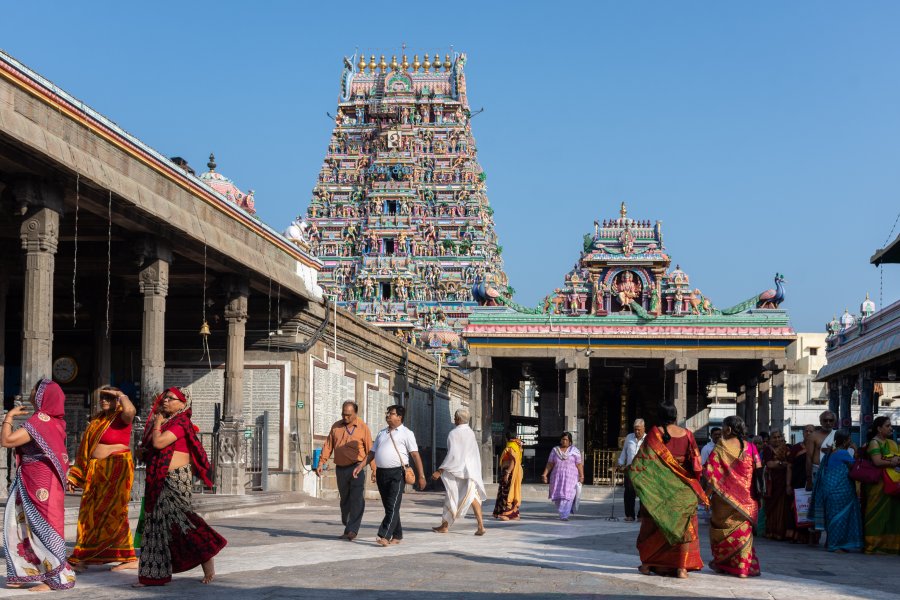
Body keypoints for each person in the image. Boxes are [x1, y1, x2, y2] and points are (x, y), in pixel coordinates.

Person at [136, 387, 226, 586]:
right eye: (165, 398)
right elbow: (148, 450)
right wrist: (141, 451)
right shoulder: (165, 422)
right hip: (158, 479)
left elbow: (159, 443)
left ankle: (207, 553)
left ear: (183, 404)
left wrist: (157, 423)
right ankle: (152, 575)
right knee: (157, 526)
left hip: (176, 480)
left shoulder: (181, 422)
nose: (166, 401)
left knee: (184, 522)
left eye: (171, 398)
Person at [2, 379, 77, 591]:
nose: (31, 391)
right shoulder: (56, 422)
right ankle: (28, 572)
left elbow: (7, 441)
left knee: (42, 528)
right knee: (27, 525)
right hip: (41, 479)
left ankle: (55, 577)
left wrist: (9, 416)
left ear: (42, 395)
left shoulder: (39, 421)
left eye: (35, 388)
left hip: (39, 480)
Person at [630, 404, 707, 579]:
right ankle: (681, 568)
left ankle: (648, 565)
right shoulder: (687, 434)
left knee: (653, 526)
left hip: (658, 491)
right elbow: (696, 464)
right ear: (676, 415)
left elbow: (641, 464)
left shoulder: (654, 434)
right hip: (683, 490)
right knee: (684, 528)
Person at [67, 386, 138, 571]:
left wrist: (121, 395)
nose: (104, 400)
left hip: (116, 468)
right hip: (96, 470)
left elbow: (131, 410)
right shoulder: (98, 420)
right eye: (102, 397)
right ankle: (84, 555)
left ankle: (128, 558)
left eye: (109, 397)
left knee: (115, 512)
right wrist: (75, 475)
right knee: (89, 513)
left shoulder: (122, 417)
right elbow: (85, 448)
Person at [352, 405, 426, 546]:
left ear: (400, 417)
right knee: (389, 506)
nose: (388, 416)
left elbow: (415, 455)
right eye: (388, 413)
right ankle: (397, 535)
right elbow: (372, 453)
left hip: (397, 473)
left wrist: (421, 476)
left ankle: (384, 535)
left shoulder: (406, 433)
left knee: (392, 505)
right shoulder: (382, 433)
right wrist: (360, 466)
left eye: (391, 414)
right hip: (381, 473)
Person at [704, 415, 762, 578]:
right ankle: (743, 568)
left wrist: (705, 495)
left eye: (723, 427)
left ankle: (723, 563)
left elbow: (711, 475)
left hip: (723, 500)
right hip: (747, 499)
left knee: (722, 531)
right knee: (743, 533)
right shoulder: (751, 448)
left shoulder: (721, 447)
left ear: (728, 429)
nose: (721, 431)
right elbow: (759, 470)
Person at [317, 401, 373, 541]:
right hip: (341, 468)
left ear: (355, 414)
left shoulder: (363, 427)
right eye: (343, 414)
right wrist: (321, 462)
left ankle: (353, 529)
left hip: (357, 467)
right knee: (345, 500)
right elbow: (328, 445)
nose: (345, 417)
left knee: (357, 499)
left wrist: (374, 469)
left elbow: (371, 449)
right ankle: (347, 524)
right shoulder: (336, 426)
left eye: (348, 415)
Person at [430, 408, 486, 535]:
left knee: (451, 496)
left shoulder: (454, 433)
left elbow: (452, 454)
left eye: (455, 417)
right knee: (473, 496)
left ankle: (445, 526)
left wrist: (440, 470)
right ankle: (480, 526)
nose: (454, 419)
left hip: (456, 471)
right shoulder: (471, 433)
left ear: (459, 419)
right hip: (471, 471)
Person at [814, 430, 862, 552]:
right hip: (840, 491)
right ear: (845, 441)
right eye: (849, 439)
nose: (851, 442)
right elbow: (856, 468)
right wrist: (856, 450)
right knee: (839, 519)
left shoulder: (831, 452)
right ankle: (835, 545)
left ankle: (831, 543)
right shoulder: (842, 453)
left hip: (830, 491)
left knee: (833, 517)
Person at [863, 416, 900, 554]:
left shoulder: (892, 443)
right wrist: (893, 462)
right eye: (887, 426)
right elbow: (877, 462)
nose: (891, 428)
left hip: (893, 483)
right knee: (876, 514)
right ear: (879, 428)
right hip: (878, 484)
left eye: (891, 426)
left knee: (892, 514)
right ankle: (872, 545)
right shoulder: (874, 443)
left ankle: (890, 546)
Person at [806, 410, 837, 546]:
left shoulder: (837, 435)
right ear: (820, 422)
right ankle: (814, 537)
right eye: (825, 420)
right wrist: (808, 479)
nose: (828, 423)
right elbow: (808, 458)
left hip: (832, 475)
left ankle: (830, 537)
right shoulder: (813, 436)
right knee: (816, 504)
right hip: (816, 472)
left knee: (831, 505)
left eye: (831, 420)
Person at [541, 432, 584, 521]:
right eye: (563, 439)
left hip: (571, 478)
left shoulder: (575, 451)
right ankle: (562, 513)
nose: (564, 441)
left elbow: (579, 464)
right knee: (559, 496)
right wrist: (545, 474)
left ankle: (564, 515)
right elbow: (550, 464)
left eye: (566, 440)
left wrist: (581, 476)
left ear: (570, 441)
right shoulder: (555, 450)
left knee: (569, 496)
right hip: (557, 477)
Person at [785, 424, 815, 543]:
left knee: (811, 508)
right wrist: (788, 484)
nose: (808, 433)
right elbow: (789, 467)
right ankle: (795, 536)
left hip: (813, 482)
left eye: (811, 431)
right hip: (797, 482)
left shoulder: (818, 447)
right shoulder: (796, 448)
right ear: (802, 433)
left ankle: (810, 537)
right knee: (796, 508)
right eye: (806, 431)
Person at [761, 430, 790, 540]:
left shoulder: (786, 448)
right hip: (772, 482)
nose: (777, 439)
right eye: (774, 437)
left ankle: (781, 532)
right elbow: (770, 464)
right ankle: (771, 531)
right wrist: (782, 463)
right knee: (771, 506)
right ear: (770, 439)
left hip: (784, 480)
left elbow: (790, 463)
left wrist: (779, 464)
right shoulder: (768, 449)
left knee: (783, 507)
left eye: (779, 437)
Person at [617, 419, 646, 522]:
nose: (637, 432)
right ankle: (629, 515)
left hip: (643, 471)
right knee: (629, 493)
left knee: (643, 494)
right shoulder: (629, 437)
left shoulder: (648, 439)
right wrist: (620, 463)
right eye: (635, 430)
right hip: (630, 469)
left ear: (643, 428)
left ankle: (641, 515)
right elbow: (624, 451)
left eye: (639, 430)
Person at [492, 428, 524, 521]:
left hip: (511, 472)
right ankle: (515, 514)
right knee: (513, 491)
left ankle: (507, 514)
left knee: (507, 492)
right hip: (516, 472)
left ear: (506, 438)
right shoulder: (517, 445)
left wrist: (507, 473)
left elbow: (513, 461)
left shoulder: (511, 446)